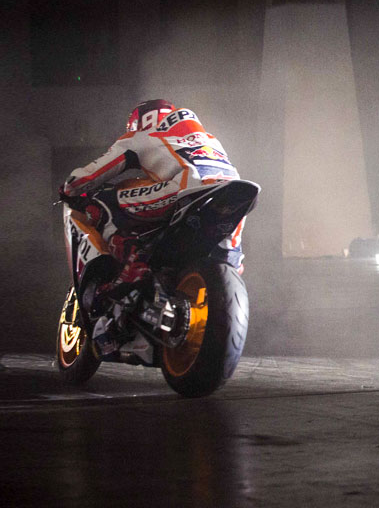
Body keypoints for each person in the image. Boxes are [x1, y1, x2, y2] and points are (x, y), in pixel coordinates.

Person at [60, 99, 244, 353]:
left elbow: (92, 174)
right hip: (230, 194)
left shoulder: (143, 134)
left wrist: (70, 187)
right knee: (231, 259)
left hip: (185, 190)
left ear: (140, 120)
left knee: (103, 203)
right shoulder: (209, 138)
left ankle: (131, 267)